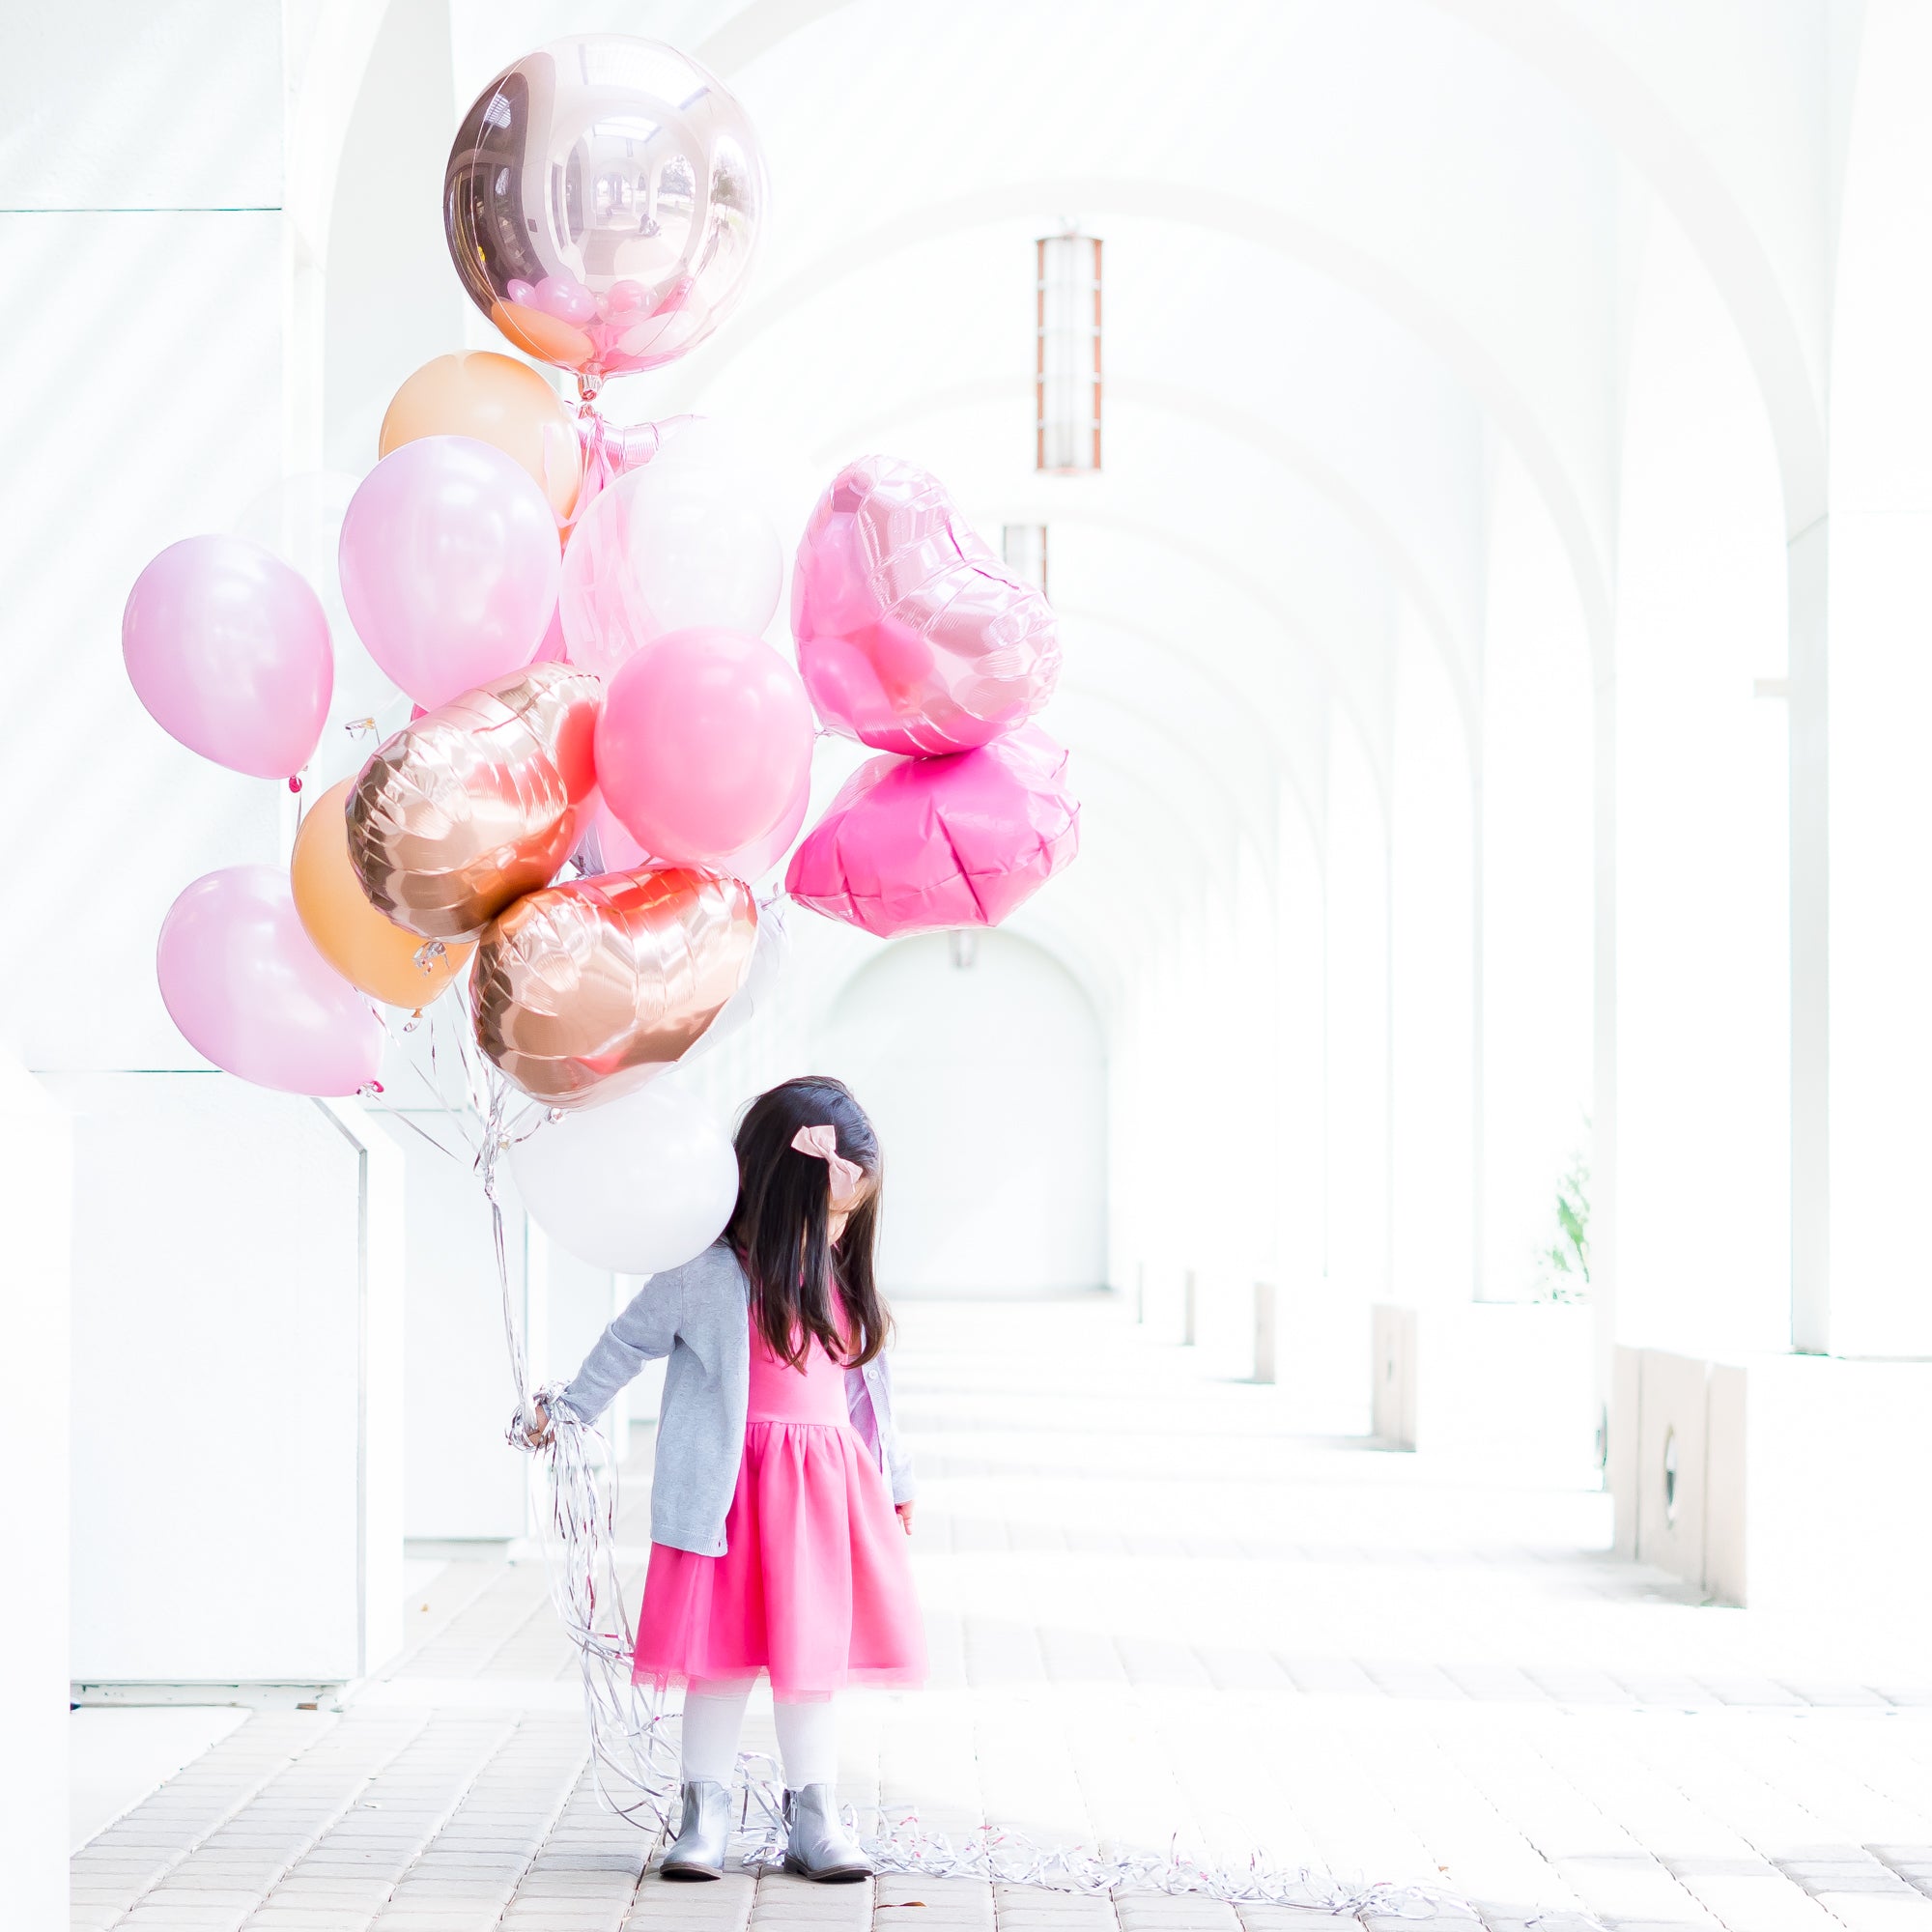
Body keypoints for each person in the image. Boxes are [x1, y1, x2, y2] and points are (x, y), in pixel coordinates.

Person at [530, 1075, 923, 1883]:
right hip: (728, 1496)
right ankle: (702, 1812)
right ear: (784, 1193)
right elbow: (626, 1341)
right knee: (717, 1657)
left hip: (820, 1497)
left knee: (808, 1655)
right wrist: (568, 1412)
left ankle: (814, 1814)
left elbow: (870, 1390)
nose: (841, 1225)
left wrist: (896, 1479)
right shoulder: (706, 1273)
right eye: (834, 1206)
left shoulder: (840, 1279)